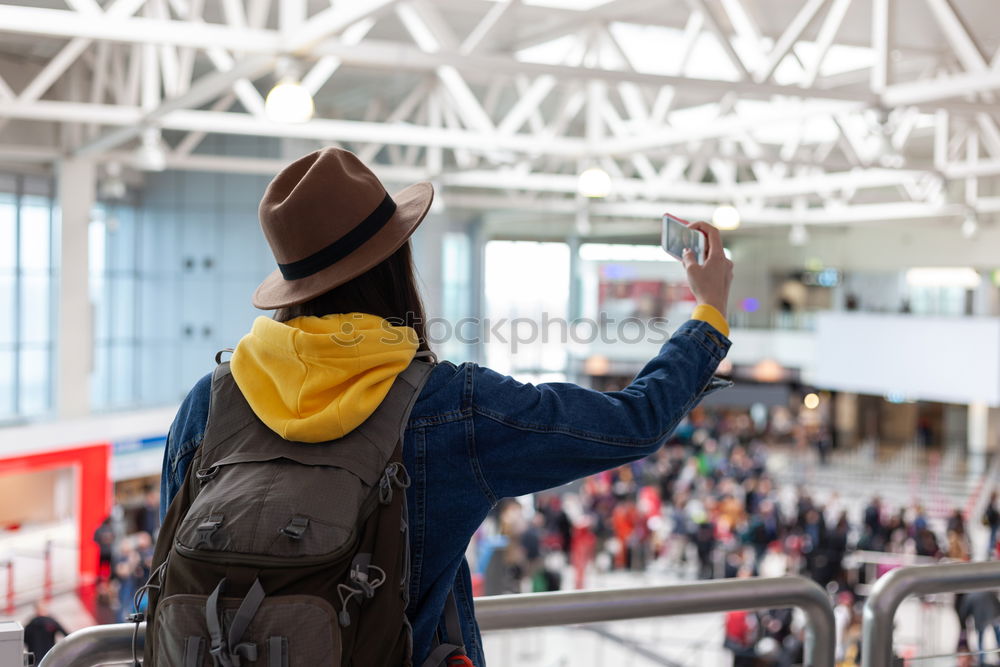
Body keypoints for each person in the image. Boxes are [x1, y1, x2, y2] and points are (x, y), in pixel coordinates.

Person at [160, 148, 734, 666]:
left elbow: (171, 569)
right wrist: (708, 313)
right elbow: (633, 423)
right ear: (395, 264)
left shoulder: (210, 403)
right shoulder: (449, 407)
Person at [983, 492, 999, 561]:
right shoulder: (991, 504)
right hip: (993, 523)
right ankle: (990, 549)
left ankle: (991, 549)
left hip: (994, 523)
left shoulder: (993, 504)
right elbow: (990, 513)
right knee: (992, 536)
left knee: (993, 536)